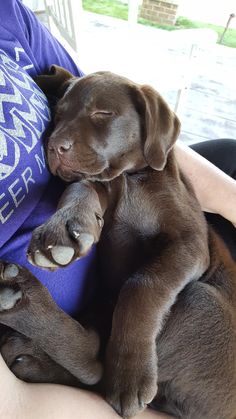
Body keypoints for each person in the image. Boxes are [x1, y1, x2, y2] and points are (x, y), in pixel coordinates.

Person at [0, 1, 235, 418]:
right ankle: (89, 363)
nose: (60, 140)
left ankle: (91, 365)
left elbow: (192, 250)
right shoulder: (98, 178)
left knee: (227, 156)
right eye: (59, 121)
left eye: (101, 116)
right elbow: (91, 188)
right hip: (122, 328)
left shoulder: (156, 175)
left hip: (216, 351)